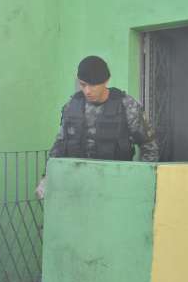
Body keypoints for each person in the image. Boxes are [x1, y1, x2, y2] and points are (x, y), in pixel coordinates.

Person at [36, 55, 159, 198]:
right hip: (77, 189)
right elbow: (59, 145)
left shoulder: (127, 106)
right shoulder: (72, 106)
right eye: (83, 84)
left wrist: (141, 182)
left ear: (106, 80)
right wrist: (47, 178)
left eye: (93, 85)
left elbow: (149, 145)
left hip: (116, 187)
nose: (87, 91)